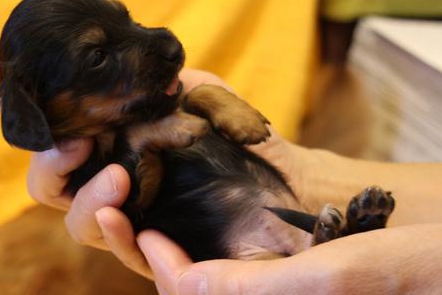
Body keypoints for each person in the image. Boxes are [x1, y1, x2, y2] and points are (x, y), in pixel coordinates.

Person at [27, 69, 442, 294]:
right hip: (227, 237)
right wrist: (305, 175)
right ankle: (343, 236)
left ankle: (341, 238)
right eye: (99, 58)